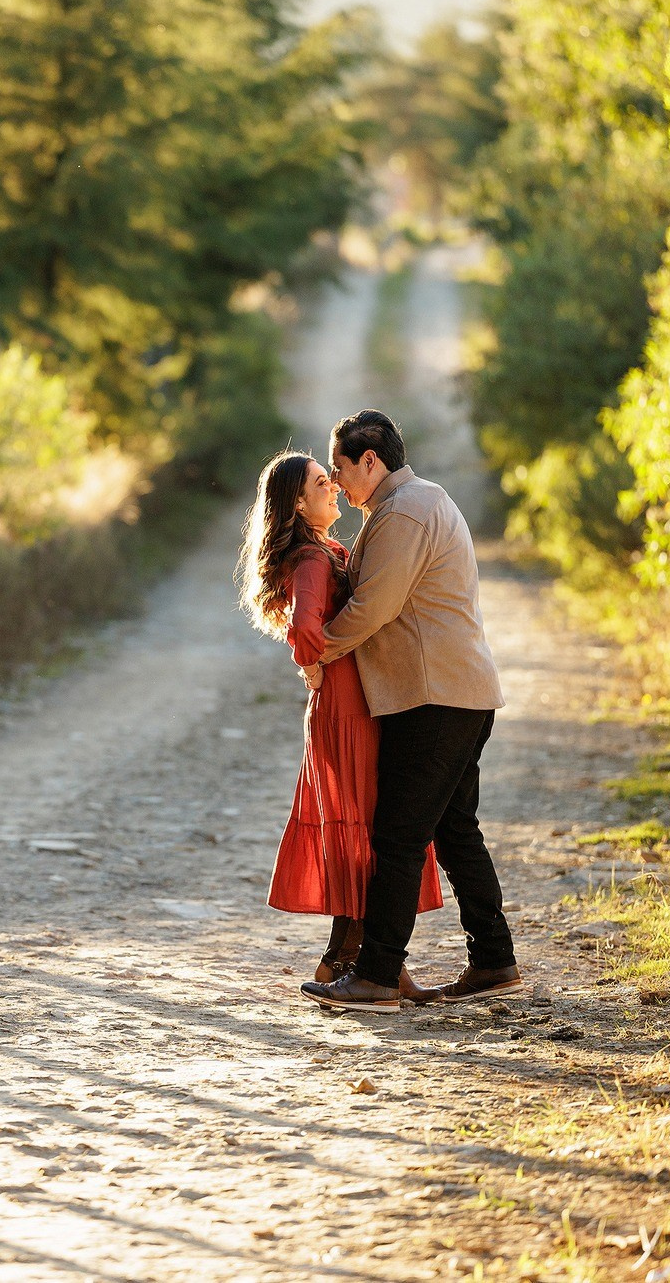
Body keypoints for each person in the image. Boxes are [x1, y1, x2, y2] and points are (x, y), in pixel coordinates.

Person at [298, 410, 524, 1013]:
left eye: (342, 469)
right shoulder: (414, 503)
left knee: (397, 837)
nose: (341, 486)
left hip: (434, 698)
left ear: (370, 459)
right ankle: (494, 961)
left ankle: (376, 974)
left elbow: (374, 605)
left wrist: (319, 651)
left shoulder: (404, 511)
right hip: (457, 693)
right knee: (453, 830)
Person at [237, 450, 440, 997]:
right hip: (348, 707)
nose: (334, 488)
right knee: (368, 831)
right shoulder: (311, 557)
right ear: (299, 502)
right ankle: (371, 964)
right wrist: (315, 661)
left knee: (367, 829)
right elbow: (305, 630)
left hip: (355, 701)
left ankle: (343, 959)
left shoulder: (325, 550)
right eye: (323, 482)